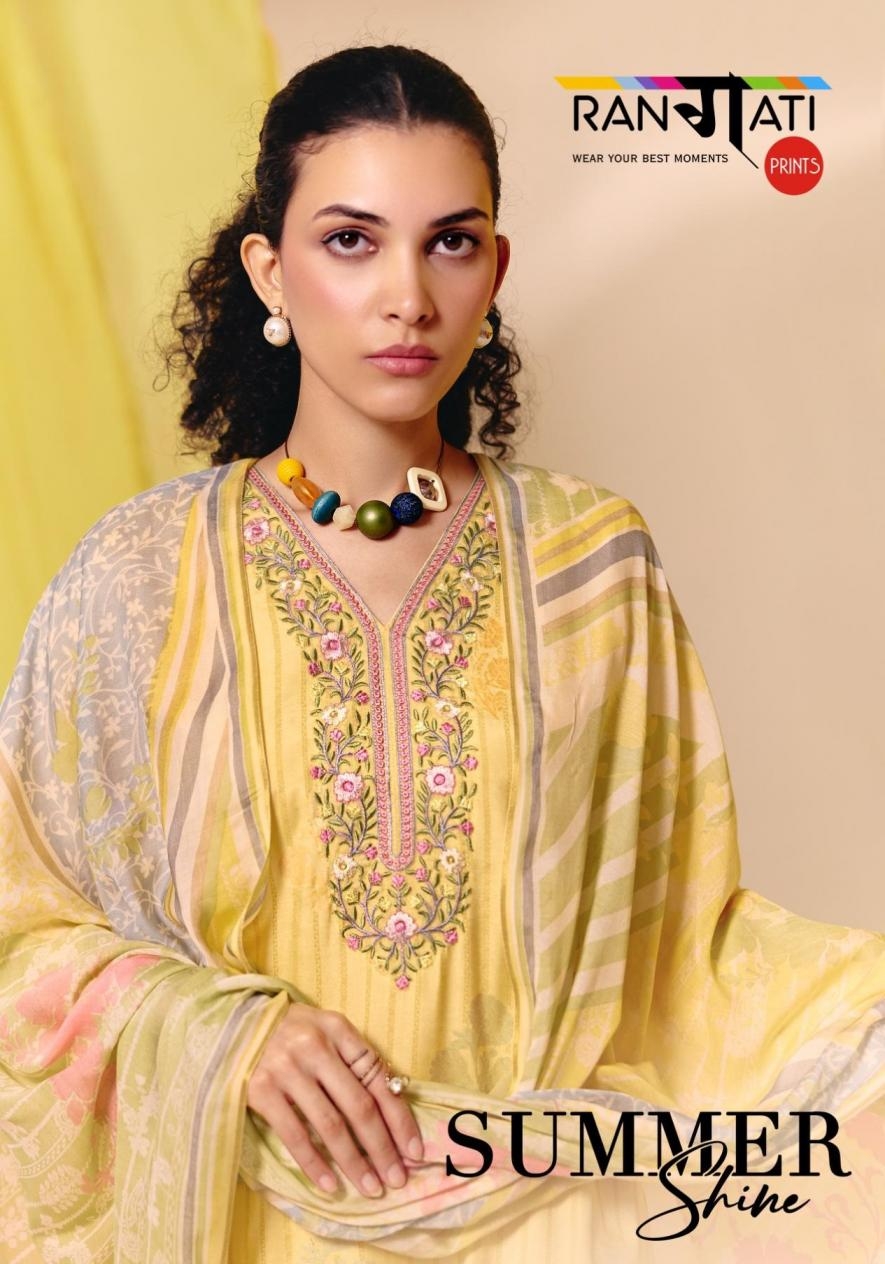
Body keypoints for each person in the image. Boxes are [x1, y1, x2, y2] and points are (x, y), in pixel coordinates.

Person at [0, 43, 883, 1264]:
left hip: (552, 1220)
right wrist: (225, 1035)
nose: (407, 295)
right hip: (252, 1220)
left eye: (451, 242)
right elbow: (23, 932)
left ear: (495, 269)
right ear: (270, 269)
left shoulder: (592, 565)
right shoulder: (140, 581)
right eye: (351, 241)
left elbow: (687, 955)